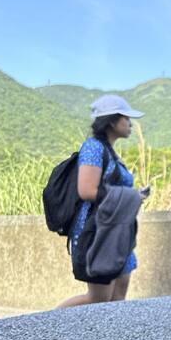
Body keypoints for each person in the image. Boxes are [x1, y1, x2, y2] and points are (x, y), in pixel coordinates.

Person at [57, 94, 148, 308]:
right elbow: (87, 190)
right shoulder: (94, 147)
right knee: (98, 299)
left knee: (116, 300)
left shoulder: (109, 152)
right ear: (112, 121)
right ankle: (47, 323)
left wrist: (134, 196)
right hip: (99, 232)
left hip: (116, 231)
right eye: (126, 118)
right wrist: (131, 197)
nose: (130, 124)